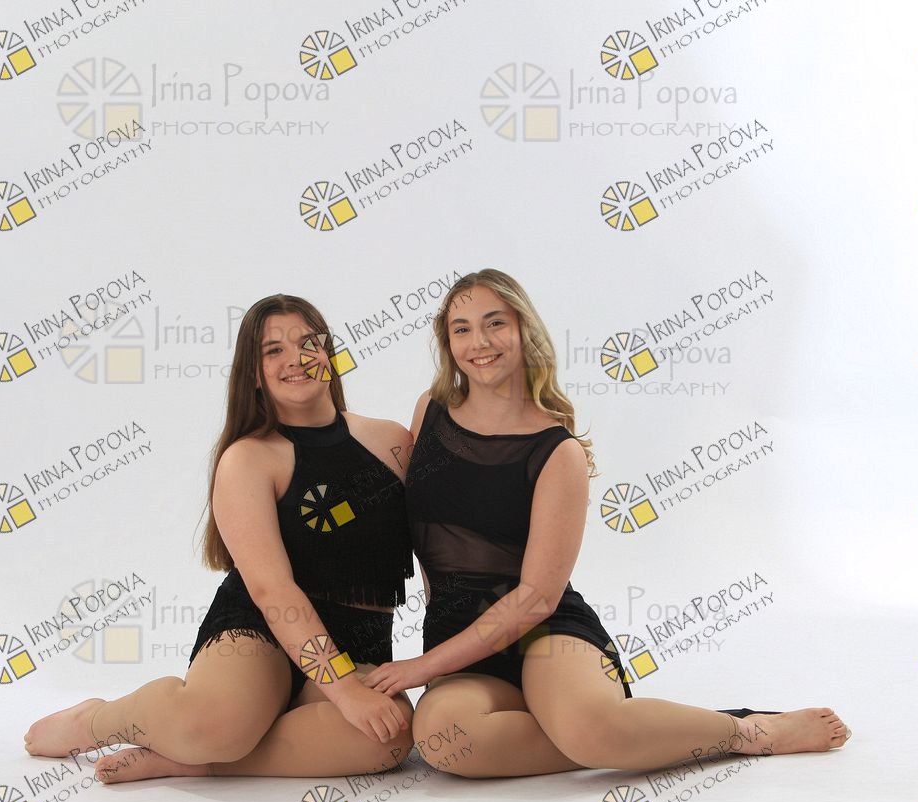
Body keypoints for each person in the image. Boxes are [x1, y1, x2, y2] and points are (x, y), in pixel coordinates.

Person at [363, 269, 849, 776]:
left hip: (544, 633)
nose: (479, 342)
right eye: (461, 329)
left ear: (524, 329)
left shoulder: (557, 451)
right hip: (458, 638)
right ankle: (618, 734)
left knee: (592, 730)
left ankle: (745, 732)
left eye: (495, 323)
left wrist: (421, 667)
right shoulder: (430, 411)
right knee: (444, 741)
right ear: (448, 343)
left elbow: (537, 598)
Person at [25, 294, 416, 781]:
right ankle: (99, 720)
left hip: (358, 638)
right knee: (216, 724)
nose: (294, 359)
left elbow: (437, 549)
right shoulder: (248, 459)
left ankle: (191, 758)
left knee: (387, 740)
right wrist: (344, 688)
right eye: (273, 350)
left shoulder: (391, 441)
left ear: (329, 353)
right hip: (261, 630)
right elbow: (272, 590)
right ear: (253, 373)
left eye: (307, 343)